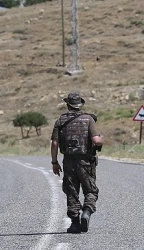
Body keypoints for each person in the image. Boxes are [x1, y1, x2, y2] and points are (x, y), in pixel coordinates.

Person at [50, 92, 104, 234]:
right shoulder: (88, 119)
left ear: (68, 105)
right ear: (80, 105)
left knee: (71, 192)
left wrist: (54, 162)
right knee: (91, 190)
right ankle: (87, 211)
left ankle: (75, 224)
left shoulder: (60, 121)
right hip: (86, 162)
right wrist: (100, 140)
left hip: (68, 161)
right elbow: (97, 141)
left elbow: (54, 143)